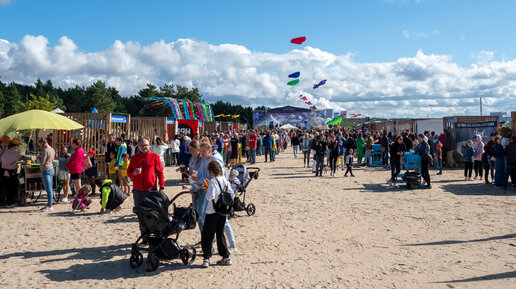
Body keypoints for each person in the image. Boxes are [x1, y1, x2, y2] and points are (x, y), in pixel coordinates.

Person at [127, 137, 165, 231]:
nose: (144, 147)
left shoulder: (155, 156)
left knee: (152, 214)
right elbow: (128, 172)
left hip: (151, 189)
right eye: (142, 145)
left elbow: (160, 173)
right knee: (140, 215)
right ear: (138, 146)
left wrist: (162, 186)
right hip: (137, 191)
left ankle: (154, 236)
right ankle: (144, 238)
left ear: (149, 145)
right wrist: (134, 173)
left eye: (146, 145)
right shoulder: (134, 158)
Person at [201, 161, 234, 268]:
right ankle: (226, 257)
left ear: (211, 171)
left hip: (212, 211)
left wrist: (207, 190)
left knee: (207, 235)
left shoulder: (213, 181)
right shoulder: (225, 180)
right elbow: (231, 194)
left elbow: (209, 197)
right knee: (220, 234)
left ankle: (206, 258)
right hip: (223, 211)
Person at [1, 138, 24, 207]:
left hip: (4, 172)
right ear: (15, 146)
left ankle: (8, 202)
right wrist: (28, 159)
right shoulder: (13, 152)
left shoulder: (6, 151)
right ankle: (11, 202)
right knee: (13, 187)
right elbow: (20, 157)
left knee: (7, 188)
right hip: (10, 172)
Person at [38, 138, 56, 210]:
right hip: (51, 169)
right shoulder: (52, 149)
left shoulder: (45, 151)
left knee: (48, 189)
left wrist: (39, 157)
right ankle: (49, 204)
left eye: (40, 145)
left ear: (42, 143)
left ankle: (50, 206)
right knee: (50, 188)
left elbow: (42, 162)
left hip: (46, 170)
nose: (40, 146)